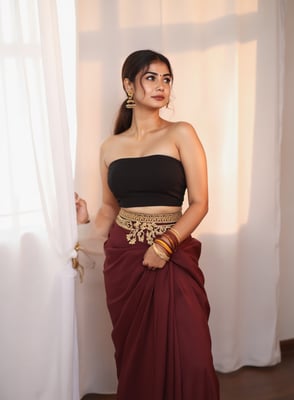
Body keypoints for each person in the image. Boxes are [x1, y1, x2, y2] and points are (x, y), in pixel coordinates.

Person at [76, 49, 219, 400]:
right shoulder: (110, 146)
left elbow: (200, 203)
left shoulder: (181, 133)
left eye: (166, 79)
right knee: (138, 358)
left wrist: (165, 245)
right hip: (126, 260)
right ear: (128, 85)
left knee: (193, 356)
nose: (161, 86)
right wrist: (87, 221)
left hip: (173, 254)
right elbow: (110, 208)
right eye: (151, 77)